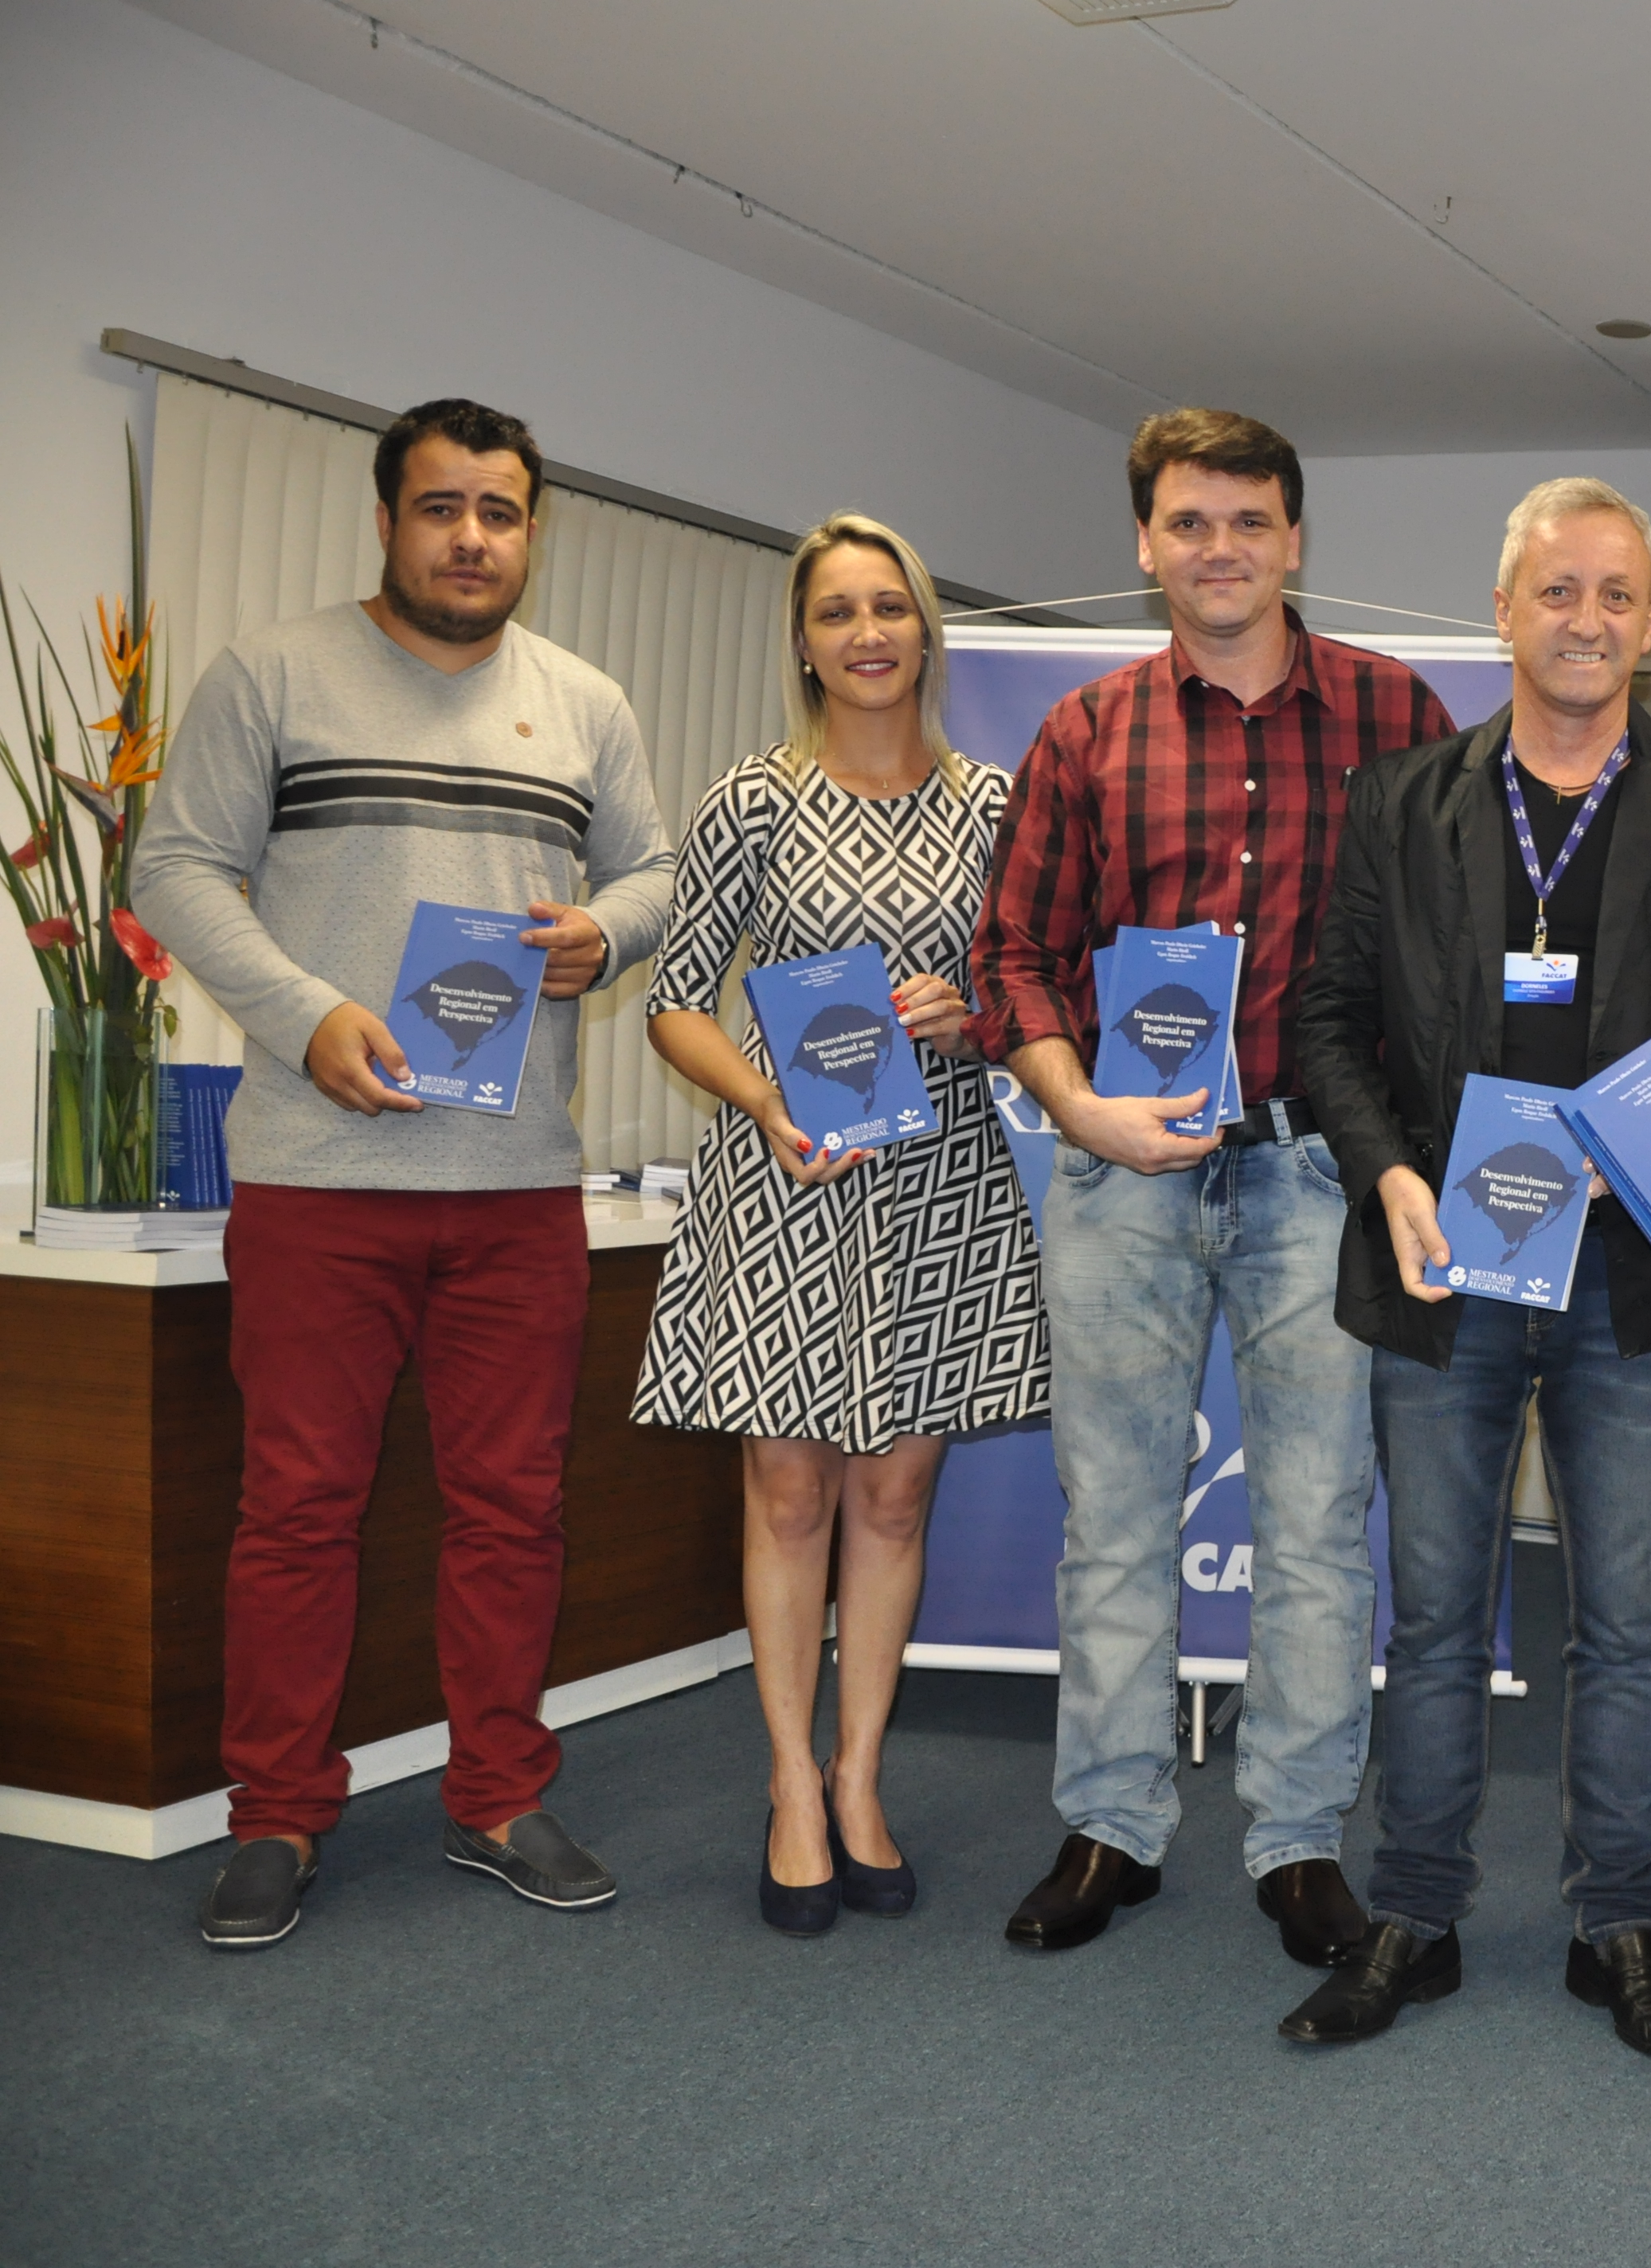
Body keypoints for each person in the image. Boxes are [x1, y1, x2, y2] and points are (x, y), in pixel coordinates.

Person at [131, 397, 675, 1948]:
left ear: (530, 530)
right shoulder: (274, 673)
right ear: (387, 520)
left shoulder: (583, 701)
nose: (471, 537)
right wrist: (305, 1016)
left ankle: (496, 1793)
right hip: (321, 1179)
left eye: (499, 512)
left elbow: (650, 870)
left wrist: (603, 932)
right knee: (298, 1507)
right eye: (441, 508)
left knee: (513, 1504)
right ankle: (276, 1813)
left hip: (516, 1188)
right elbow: (175, 864)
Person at [1288, 479, 1651, 2055]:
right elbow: (1324, 1018)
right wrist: (1387, 1175)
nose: (1587, 619)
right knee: (1437, 1615)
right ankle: (1415, 1913)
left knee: (1625, 1625)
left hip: (1628, 1274)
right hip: (1446, 1260)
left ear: (1649, 621)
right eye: (1558, 590)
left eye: (1618, 594)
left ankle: (1616, 1924)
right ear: (1504, 610)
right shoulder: (1398, 800)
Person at [968, 408, 1453, 1962]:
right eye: (1188, 522)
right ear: (1146, 542)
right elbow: (1014, 951)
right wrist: (1074, 1105)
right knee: (1111, 1517)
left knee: (1315, 1524)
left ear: (1293, 539)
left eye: (1249, 520)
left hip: (1318, 1170)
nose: (1219, 549)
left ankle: (1297, 1837)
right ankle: (1110, 1823)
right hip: (1118, 1175)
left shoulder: (1396, 714)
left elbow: (1442, 951)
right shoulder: (1086, 731)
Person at [631, 514, 1050, 1935]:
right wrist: (764, 1099)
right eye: (837, 613)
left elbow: (1036, 992)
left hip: (938, 1185)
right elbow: (674, 999)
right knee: (790, 1494)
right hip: (787, 1179)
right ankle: (788, 1785)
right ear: (803, 643)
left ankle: (860, 1774)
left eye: (890, 607)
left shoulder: (996, 805)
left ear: (924, 630)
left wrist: (971, 1015)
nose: (867, 634)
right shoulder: (752, 798)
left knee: (891, 1498)